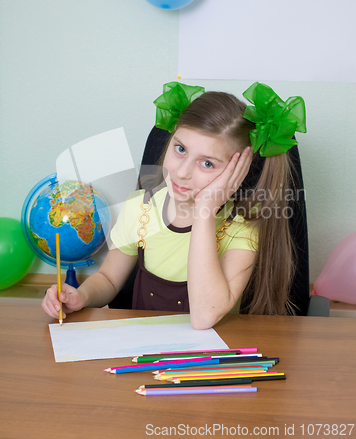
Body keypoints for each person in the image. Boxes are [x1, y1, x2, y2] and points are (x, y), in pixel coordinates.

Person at [42, 81, 306, 329]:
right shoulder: (141, 208)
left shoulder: (241, 229)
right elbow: (109, 279)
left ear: (237, 173)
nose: (182, 172)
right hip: (141, 354)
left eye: (207, 163)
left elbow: (204, 317)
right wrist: (81, 296)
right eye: (180, 149)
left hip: (206, 363)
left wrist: (205, 211)